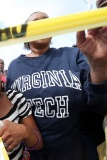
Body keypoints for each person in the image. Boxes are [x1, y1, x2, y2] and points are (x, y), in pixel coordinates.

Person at [6, 11, 107, 160]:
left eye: (46, 21)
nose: (41, 24)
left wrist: (99, 67)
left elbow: (98, 105)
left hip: (77, 151)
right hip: (35, 153)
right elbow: (13, 110)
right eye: (35, 22)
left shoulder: (73, 54)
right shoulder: (15, 66)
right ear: (25, 32)